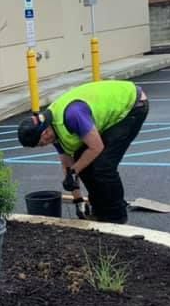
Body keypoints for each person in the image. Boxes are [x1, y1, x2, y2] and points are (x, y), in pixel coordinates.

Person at [17, 80, 149, 224]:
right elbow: (68, 165)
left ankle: (116, 218)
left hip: (132, 104)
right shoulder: (52, 131)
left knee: (103, 166)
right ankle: (99, 212)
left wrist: (74, 171)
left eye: (41, 144)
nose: (43, 146)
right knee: (84, 162)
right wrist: (78, 200)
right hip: (112, 112)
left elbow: (96, 147)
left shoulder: (71, 115)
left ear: (45, 133)